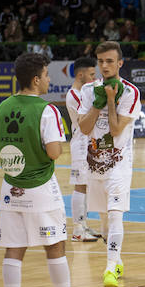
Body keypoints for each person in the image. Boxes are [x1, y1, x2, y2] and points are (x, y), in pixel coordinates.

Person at [0, 52, 90, 287]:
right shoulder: (47, 110)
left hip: (11, 189)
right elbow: (54, 151)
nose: (49, 79)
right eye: (46, 75)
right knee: (55, 246)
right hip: (40, 189)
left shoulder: (2, 108)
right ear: (36, 80)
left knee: (14, 248)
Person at [77, 41, 142, 287]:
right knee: (104, 222)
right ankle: (117, 260)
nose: (104, 66)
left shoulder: (130, 92)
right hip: (94, 163)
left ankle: (109, 268)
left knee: (115, 216)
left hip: (119, 164)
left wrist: (111, 101)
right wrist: (98, 102)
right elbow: (83, 128)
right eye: (101, 61)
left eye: (109, 61)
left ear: (120, 63)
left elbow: (115, 130)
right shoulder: (87, 90)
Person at [65, 56, 101, 242]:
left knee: (86, 186)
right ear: (81, 74)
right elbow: (86, 118)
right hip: (80, 144)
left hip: (88, 143)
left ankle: (84, 224)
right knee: (80, 186)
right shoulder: (74, 95)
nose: (95, 78)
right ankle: (78, 229)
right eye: (92, 74)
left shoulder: (84, 92)